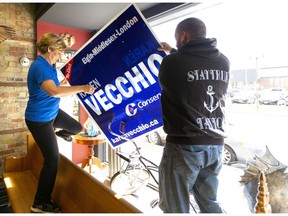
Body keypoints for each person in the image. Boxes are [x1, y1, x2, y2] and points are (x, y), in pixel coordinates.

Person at [157, 18, 230, 213]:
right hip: (215, 146)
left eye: (177, 38)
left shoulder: (171, 62)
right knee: (210, 203)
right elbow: (194, 66)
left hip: (185, 145)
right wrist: (172, 50)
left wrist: (172, 53)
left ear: (183, 36)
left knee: (175, 207)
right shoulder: (224, 61)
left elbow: (178, 71)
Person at [25, 32, 95, 213]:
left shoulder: (49, 65)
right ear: (49, 50)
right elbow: (54, 92)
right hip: (39, 119)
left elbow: (56, 84)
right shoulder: (39, 67)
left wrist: (65, 80)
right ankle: (39, 203)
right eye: (58, 52)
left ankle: (60, 133)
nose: (60, 56)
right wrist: (81, 88)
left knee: (76, 127)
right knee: (52, 159)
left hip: (52, 113)